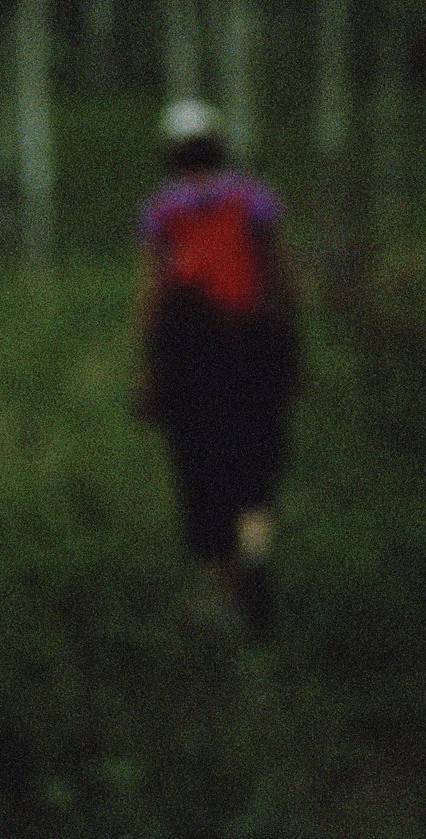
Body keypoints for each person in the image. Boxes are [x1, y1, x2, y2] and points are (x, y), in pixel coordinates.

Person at [133, 99, 301, 639]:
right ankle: (254, 559)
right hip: (253, 348)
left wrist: (147, 369)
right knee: (255, 468)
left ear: (170, 153)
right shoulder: (254, 198)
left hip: (191, 355)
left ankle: (221, 583)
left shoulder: (163, 209)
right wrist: (292, 356)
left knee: (200, 468)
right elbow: (282, 279)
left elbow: (154, 293)